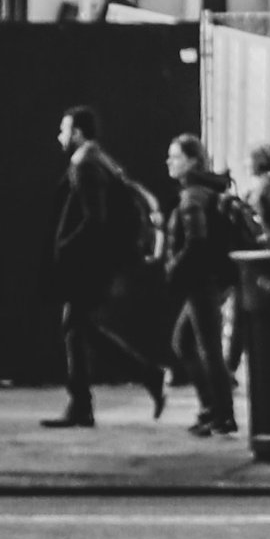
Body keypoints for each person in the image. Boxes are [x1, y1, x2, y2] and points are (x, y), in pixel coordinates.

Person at [47, 108, 166, 430]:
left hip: (91, 263)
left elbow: (94, 219)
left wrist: (66, 247)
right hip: (97, 261)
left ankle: (142, 377)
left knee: (76, 326)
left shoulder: (87, 165)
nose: (59, 136)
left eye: (64, 129)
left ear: (78, 133)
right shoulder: (100, 161)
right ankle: (84, 404)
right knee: (78, 327)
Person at [162, 136, 246, 436]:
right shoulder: (207, 190)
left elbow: (197, 242)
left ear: (192, 161)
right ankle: (213, 409)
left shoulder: (192, 196)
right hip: (213, 280)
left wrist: (173, 268)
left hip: (202, 282)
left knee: (206, 348)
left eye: (175, 157)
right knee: (185, 342)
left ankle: (221, 413)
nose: (169, 162)